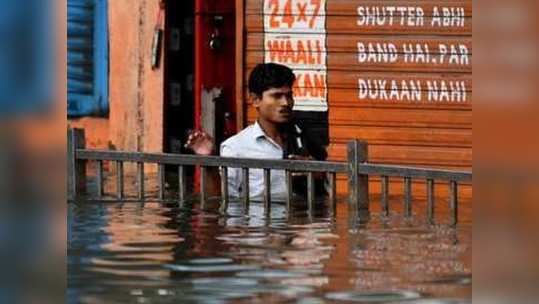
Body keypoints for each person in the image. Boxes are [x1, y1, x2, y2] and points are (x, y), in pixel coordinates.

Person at [186, 63, 327, 201]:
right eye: (276, 96)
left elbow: (327, 191)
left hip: (302, 221)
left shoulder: (303, 137)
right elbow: (220, 200)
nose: (285, 102)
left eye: (289, 95)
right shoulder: (236, 147)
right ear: (255, 100)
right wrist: (209, 161)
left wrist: (317, 172)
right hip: (259, 222)